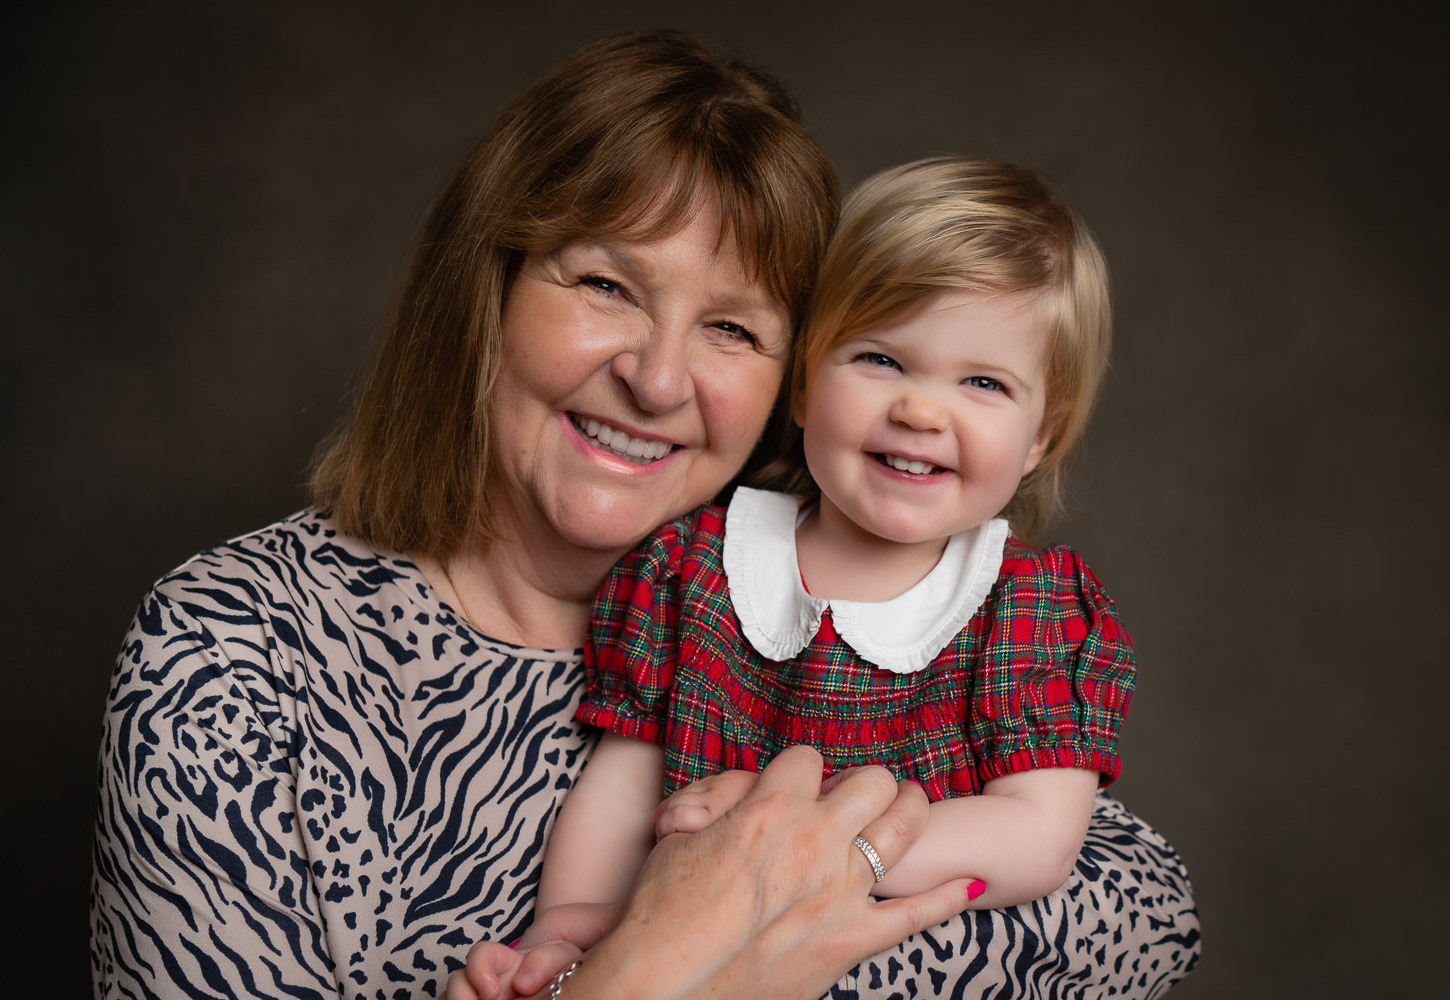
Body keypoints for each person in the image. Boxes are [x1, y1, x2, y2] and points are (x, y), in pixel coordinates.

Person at [89, 30, 1199, 1000]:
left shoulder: (911, 606)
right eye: (607, 286)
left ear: (782, 376)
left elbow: (1139, 904)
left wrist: (734, 913)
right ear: (487, 288)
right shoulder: (235, 649)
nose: (660, 383)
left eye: (732, 328)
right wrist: (639, 972)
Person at [451, 156, 1169, 999]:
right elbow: (619, 792)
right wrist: (571, 931)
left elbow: (1034, 838)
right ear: (801, 387)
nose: (922, 411)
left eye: (982, 383)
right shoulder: (691, 570)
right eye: (879, 360)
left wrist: (779, 849)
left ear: (1039, 437)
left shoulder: (1030, 611)